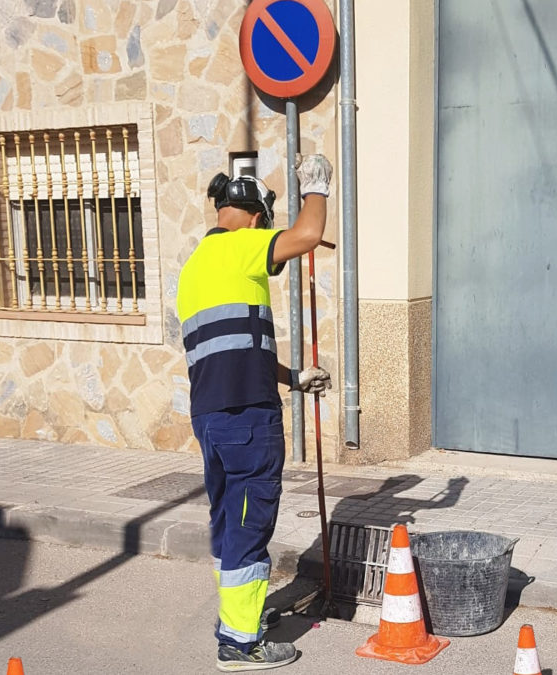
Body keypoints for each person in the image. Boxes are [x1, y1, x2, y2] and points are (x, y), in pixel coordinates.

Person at [176, 154, 334, 672]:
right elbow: (309, 234)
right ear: (252, 216)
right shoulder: (242, 245)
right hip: (247, 418)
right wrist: (316, 185)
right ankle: (241, 646)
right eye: (266, 223)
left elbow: (235, 347)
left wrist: (293, 377)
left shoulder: (196, 267)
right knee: (250, 522)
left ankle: (234, 621)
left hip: (213, 416)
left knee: (229, 522)